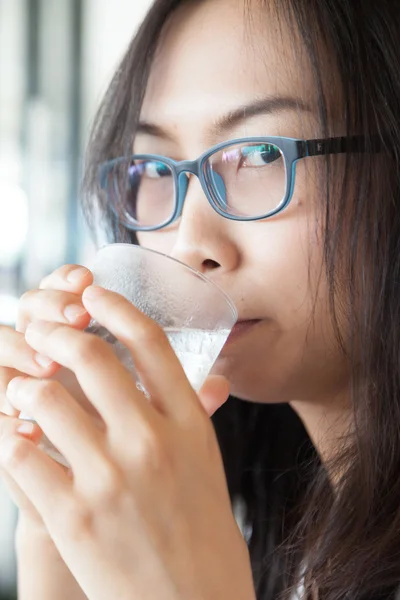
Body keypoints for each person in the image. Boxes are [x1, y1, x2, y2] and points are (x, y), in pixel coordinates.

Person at [0, 0, 399, 598]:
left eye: (260, 155)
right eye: (155, 168)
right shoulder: (298, 555)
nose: (190, 243)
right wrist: (61, 533)